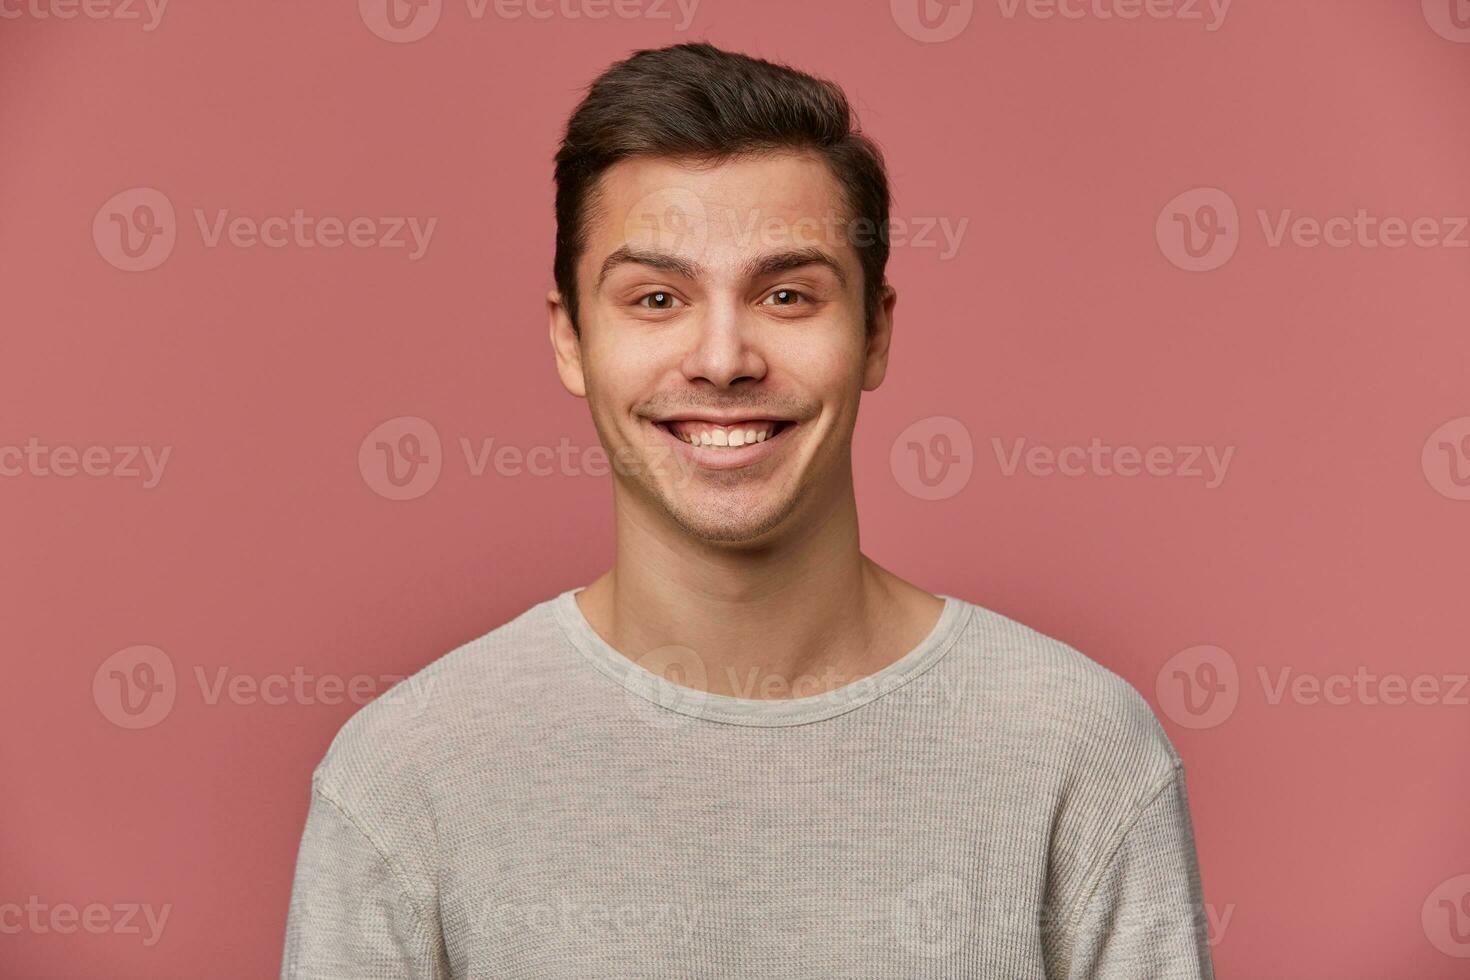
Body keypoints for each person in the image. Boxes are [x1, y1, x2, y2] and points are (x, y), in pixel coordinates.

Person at [279, 41, 1215, 979]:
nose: (723, 359)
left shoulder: (1077, 751)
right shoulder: (407, 775)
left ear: (875, 331)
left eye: (785, 295)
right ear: (570, 339)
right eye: (656, 297)